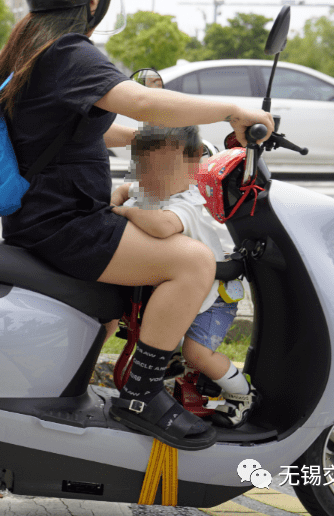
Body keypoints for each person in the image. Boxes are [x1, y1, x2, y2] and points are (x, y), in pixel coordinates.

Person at [0, 0, 274, 450]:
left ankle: (85, 385)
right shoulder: (69, 52)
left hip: (43, 217)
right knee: (192, 261)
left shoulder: (32, 49)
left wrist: (170, 142)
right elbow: (141, 104)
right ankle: (143, 394)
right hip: (64, 224)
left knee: (153, 268)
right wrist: (233, 110)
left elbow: (99, 128)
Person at [110, 126, 258, 429]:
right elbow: (124, 191)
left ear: (192, 168)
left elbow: (164, 226)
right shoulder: (149, 189)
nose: (151, 177)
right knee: (157, 336)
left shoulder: (187, 201)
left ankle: (243, 395)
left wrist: (121, 212)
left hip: (213, 298)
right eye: (144, 167)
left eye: (164, 169)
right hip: (184, 293)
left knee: (197, 353)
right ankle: (175, 374)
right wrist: (117, 198)